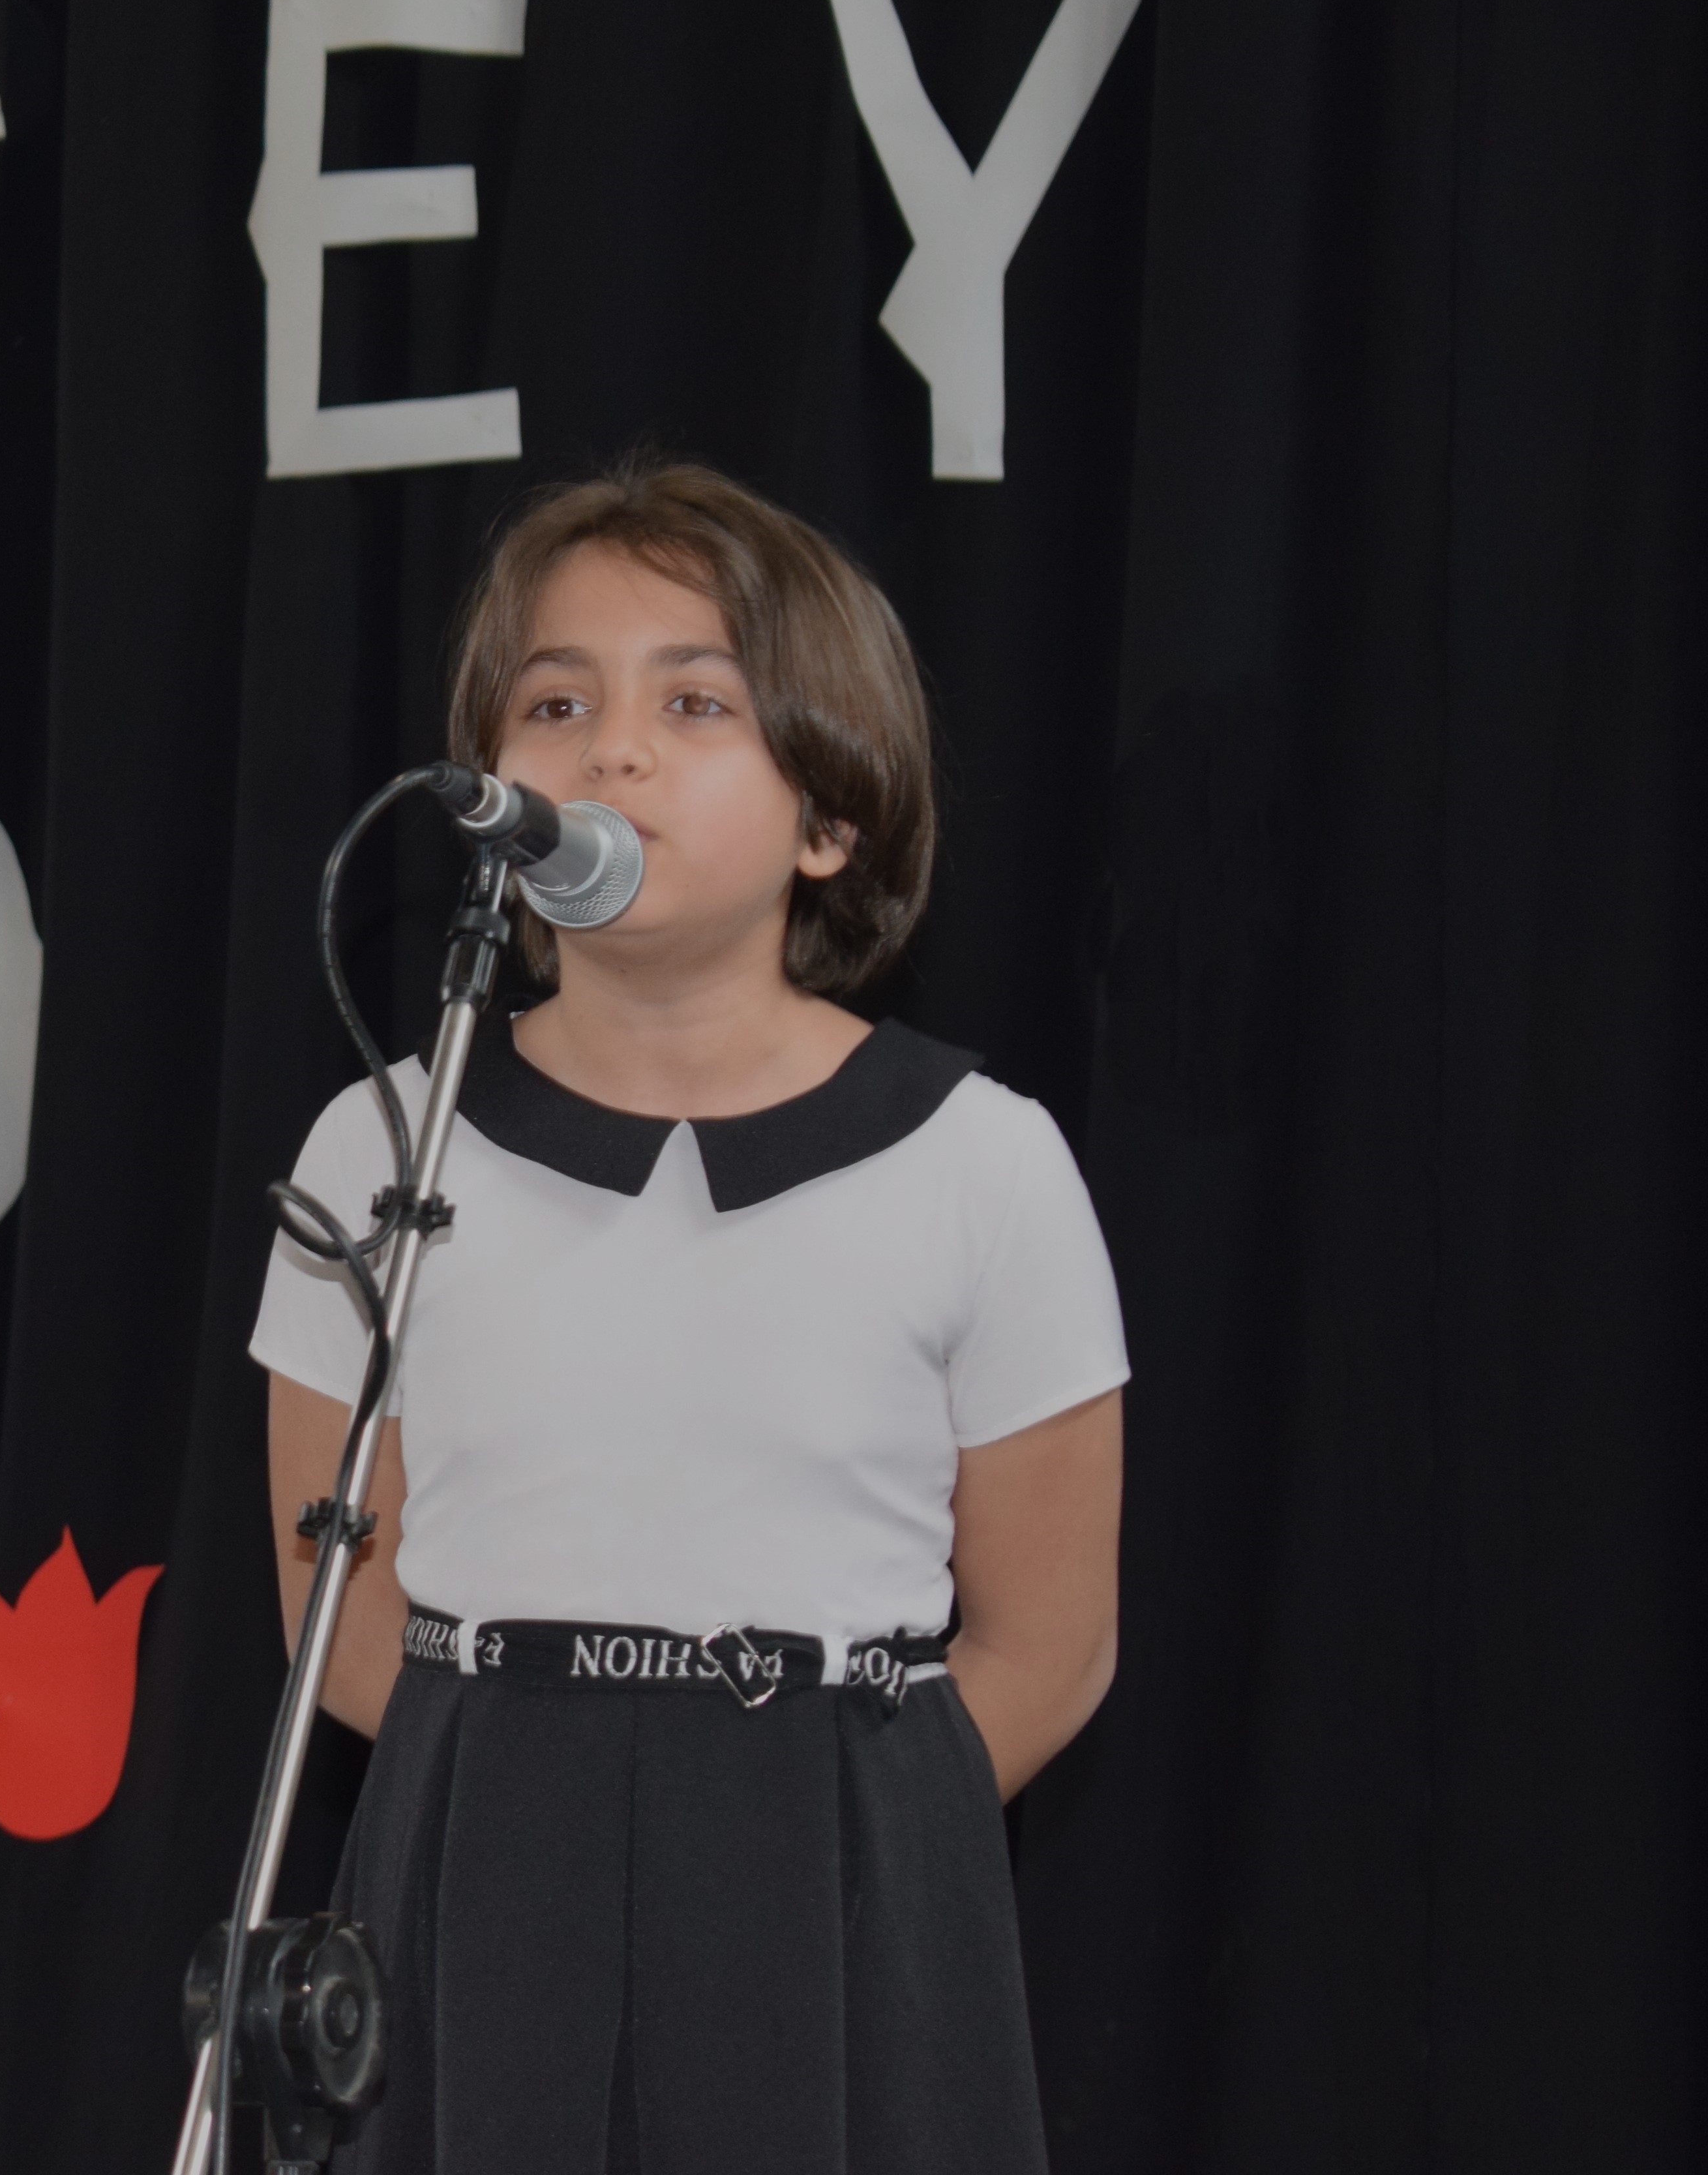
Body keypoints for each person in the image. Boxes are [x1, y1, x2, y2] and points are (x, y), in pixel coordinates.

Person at [249, 456, 1126, 2175]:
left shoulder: (982, 1162)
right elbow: (334, 1601)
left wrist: (828, 1837)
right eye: (556, 703)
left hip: (836, 1885)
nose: (613, 753)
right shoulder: (384, 1141)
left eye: (696, 702)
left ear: (829, 818)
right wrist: (526, 1799)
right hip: (480, 1869)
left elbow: (1049, 1643)